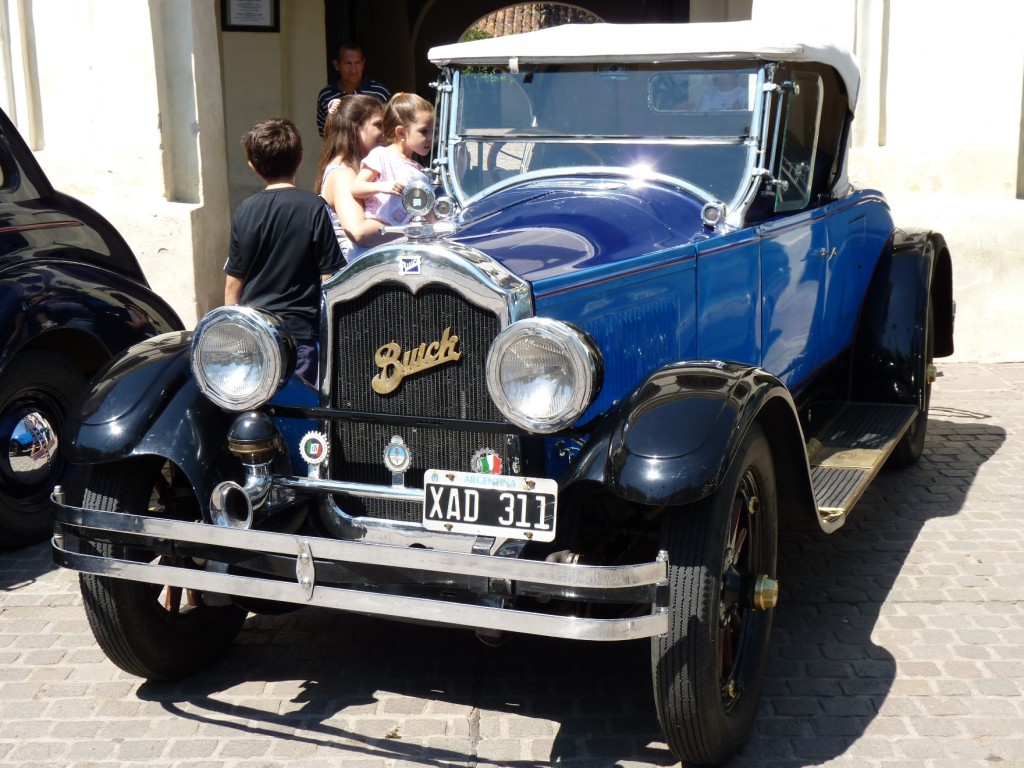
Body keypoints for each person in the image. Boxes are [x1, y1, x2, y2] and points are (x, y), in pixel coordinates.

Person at [225, 118, 344, 385]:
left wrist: (233, 337)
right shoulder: (314, 207)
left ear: (253, 166)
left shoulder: (244, 210)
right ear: (300, 158)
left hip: (256, 335)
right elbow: (330, 278)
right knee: (300, 413)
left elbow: (233, 284)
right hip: (300, 335)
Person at [314, 94, 393, 259]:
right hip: (354, 275)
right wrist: (412, 229)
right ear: (355, 128)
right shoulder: (343, 173)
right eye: (378, 125)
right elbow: (359, 232)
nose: (385, 133)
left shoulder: (357, 169)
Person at [350, 92, 434, 228]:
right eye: (424, 131)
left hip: (404, 234)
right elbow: (356, 188)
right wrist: (383, 186)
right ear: (401, 132)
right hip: (378, 231)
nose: (430, 137)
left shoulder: (417, 168)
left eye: (432, 131)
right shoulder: (381, 155)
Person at [316, 42, 391, 137]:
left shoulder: (380, 92)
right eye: (348, 63)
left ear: (363, 64)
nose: (353, 69)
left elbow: (390, 127)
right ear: (336, 65)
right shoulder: (326, 95)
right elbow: (324, 133)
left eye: (357, 63)